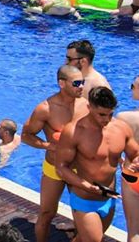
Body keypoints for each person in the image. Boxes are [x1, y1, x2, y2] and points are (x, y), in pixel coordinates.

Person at [56, 87, 139, 242]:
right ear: (89, 107)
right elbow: (61, 167)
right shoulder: (74, 131)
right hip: (85, 199)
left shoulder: (121, 128)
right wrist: (87, 186)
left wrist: (135, 163)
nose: (106, 119)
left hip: (109, 199)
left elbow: (135, 153)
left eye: (110, 114)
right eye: (101, 114)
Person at [21, 64, 88, 242]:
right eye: (76, 83)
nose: (81, 86)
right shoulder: (46, 109)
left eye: (82, 82)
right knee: (46, 213)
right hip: (55, 168)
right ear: (62, 83)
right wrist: (48, 146)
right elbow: (26, 136)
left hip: (79, 168)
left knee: (83, 216)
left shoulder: (85, 105)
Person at [117, 75, 139, 242]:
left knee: (134, 230)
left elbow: (113, 147)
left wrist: (121, 162)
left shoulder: (123, 118)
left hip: (131, 175)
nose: (131, 89)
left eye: (133, 86)